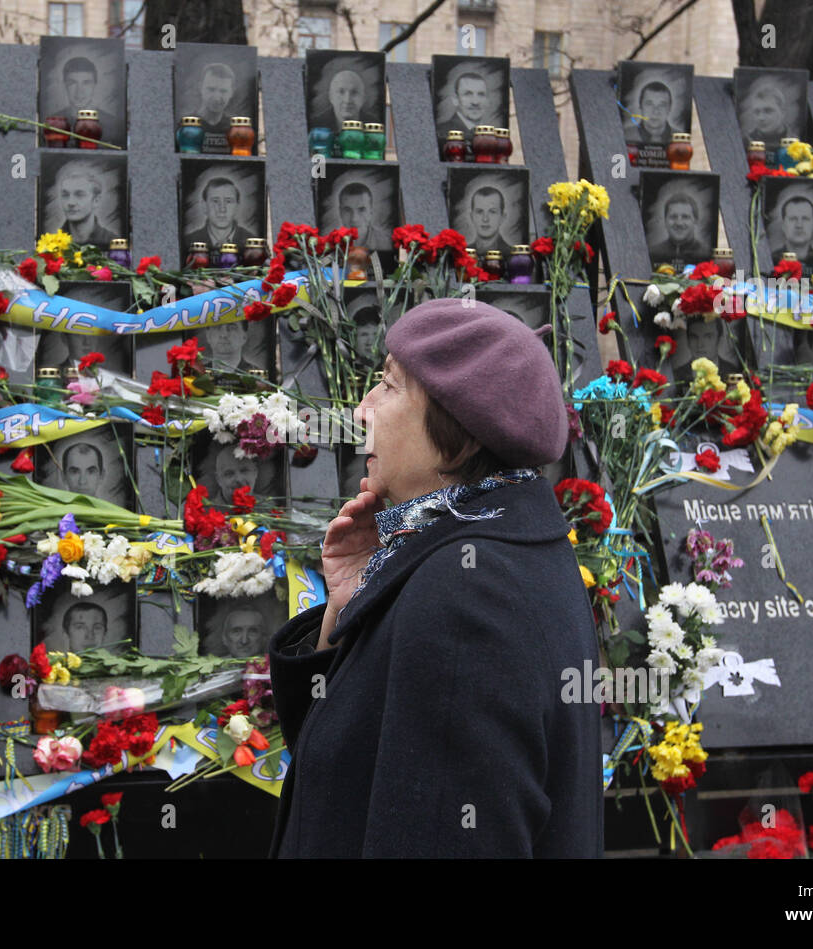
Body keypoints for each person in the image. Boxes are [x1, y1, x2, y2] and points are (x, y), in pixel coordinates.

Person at [267, 297, 601, 857]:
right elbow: (344, 774)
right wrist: (344, 616)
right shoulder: (487, 548)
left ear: (459, 429)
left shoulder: (469, 594)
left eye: (389, 386)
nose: (361, 409)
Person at [54, 56, 124, 146]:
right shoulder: (53, 123)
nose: (79, 91)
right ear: (64, 85)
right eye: (72, 83)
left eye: (86, 83)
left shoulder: (113, 124)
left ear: (95, 84)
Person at [185, 177, 255, 257]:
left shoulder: (252, 243)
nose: (222, 209)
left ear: (237, 206)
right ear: (204, 206)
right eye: (215, 201)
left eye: (228, 201)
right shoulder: (189, 242)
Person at [51, 161, 117, 247]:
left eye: (79, 195)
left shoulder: (112, 241)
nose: (70, 202)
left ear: (96, 200)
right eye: (65, 195)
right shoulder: (52, 244)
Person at [648, 192, 709, 268]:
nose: (679, 223)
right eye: (673, 217)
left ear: (695, 220)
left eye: (685, 217)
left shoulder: (707, 254)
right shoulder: (651, 253)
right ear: (665, 220)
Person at [337, 182, 391, 251]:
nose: (354, 219)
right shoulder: (330, 244)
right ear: (340, 212)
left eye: (361, 209)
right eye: (348, 210)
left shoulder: (388, 244)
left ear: (371, 211)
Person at [466, 185, 517, 256]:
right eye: (479, 212)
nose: (485, 219)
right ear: (472, 217)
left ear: (502, 217)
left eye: (492, 212)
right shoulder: (462, 254)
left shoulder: (513, 256)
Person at [196, 62, 236, 152]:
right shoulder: (184, 127)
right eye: (211, 89)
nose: (217, 98)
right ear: (200, 88)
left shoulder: (237, 130)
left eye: (223, 91)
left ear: (232, 93)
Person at [625, 80, 678, 145]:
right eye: (649, 104)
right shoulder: (624, 135)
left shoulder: (682, 140)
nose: (655, 111)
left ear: (669, 108)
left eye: (662, 105)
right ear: (640, 106)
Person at [60, 601, 126, 653]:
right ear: (65, 634)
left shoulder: (116, 668)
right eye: (80, 627)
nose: (90, 636)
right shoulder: (55, 668)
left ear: (105, 634)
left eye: (97, 628)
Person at [777, 195, 813, 269]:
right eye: (793, 219)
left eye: (805, 219)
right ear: (783, 225)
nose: (799, 225)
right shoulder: (770, 260)